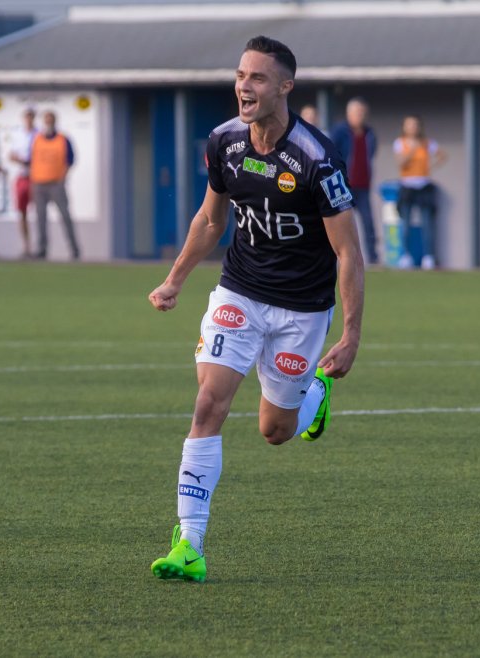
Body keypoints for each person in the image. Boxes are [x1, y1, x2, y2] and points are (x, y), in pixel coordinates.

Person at [146, 36, 364, 582]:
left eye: (258, 78)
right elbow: (210, 220)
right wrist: (174, 280)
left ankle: (314, 392)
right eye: (241, 75)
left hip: (302, 310)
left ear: (285, 87)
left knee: (275, 430)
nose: (244, 86)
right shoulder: (224, 141)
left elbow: (348, 252)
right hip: (239, 293)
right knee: (208, 404)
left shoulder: (317, 159)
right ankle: (189, 543)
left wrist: (350, 335)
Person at [330, 98, 379, 264]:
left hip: (363, 186)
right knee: (340, 223)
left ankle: (373, 258)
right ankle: (337, 257)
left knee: (368, 222)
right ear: (348, 113)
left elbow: (371, 154)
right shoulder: (339, 132)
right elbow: (332, 154)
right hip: (344, 186)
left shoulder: (369, 133)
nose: (360, 115)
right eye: (357, 112)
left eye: (363, 112)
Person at [394, 115, 446, 270]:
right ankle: (405, 256)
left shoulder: (427, 143)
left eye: (415, 125)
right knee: (405, 223)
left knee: (427, 223)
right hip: (407, 186)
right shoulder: (400, 143)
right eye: (409, 125)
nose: (413, 128)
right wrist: (413, 150)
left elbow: (442, 156)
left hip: (423, 186)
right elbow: (400, 162)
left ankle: (428, 257)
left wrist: (430, 168)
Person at [29, 110, 79, 260]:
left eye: (50, 120)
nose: (48, 123)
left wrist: (62, 177)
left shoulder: (63, 139)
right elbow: (31, 159)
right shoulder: (37, 139)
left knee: (65, 216)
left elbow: (70, 160)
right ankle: (42, 249)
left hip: (56, 184)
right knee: (40, 218)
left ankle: (74, 249)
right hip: (39, 184)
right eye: (46, 120)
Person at [8, 107, 37, 258]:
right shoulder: (18, 134)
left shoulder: (38, 134)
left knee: (39, 211)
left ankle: (40, 245)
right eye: (26, 116)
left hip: (36, 177)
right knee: (22, 212)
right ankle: (27, 245)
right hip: (21, 176)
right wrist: (21, 161)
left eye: (31, 116)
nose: (28, 119)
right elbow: (11, 155)